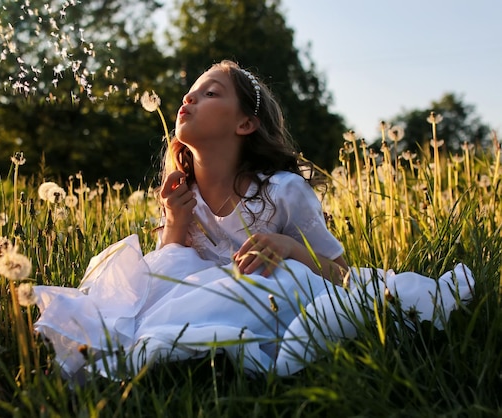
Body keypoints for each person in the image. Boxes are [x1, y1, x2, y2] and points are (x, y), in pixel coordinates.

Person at [33, 60, 474, 381]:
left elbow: (339, 274)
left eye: (211, 93)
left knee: (270, 281)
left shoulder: (282, 191)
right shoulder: (186, 195)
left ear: (245, 124)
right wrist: (174, 221)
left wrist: (288, 248)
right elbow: (171, 272)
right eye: (192, 91)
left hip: (275, 293)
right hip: (207, 294)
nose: (189, 97)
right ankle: (150, 351)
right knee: (147, 285)